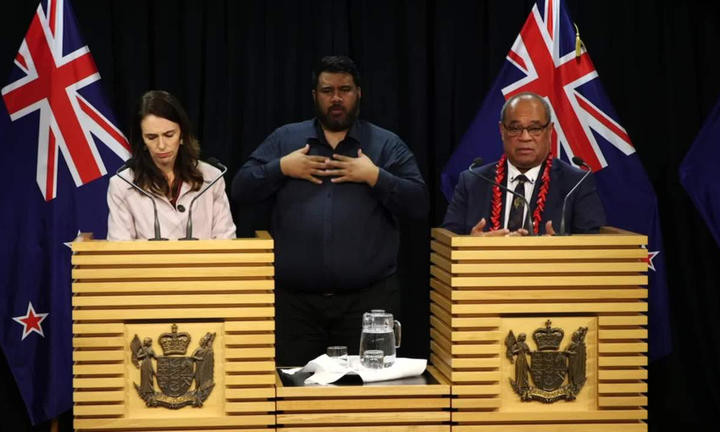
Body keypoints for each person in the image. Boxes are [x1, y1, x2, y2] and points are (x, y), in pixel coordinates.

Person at [232, 56, 427, 366]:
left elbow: (419, 203)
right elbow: (240, 188)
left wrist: (374, 176)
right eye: (327, 90)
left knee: (365, 403)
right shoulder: (286, 140)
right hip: (295, 307)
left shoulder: (386, 145)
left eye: (345, 89)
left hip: (369, 306)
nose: (336, 98)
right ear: (314, 95)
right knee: (295, 398)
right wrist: (281, 167)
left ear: (359, 93)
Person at [442, 92, 605, 236]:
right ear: (502, 131)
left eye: (535, 129)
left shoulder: (576, 183)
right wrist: (471, 244)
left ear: (549, 131)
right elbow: (447, 238)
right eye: (515, 129)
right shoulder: (472, 181)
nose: (525, 137)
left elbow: (592, 243)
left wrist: (560, 249)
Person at [107, 90, 236, 240]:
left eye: (169, 135)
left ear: (182, 135)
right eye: (152, 137)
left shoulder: (212, 178)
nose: (161, 145)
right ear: (142, 140)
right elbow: (119, 251)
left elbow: (226, 241)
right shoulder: (123, 185)